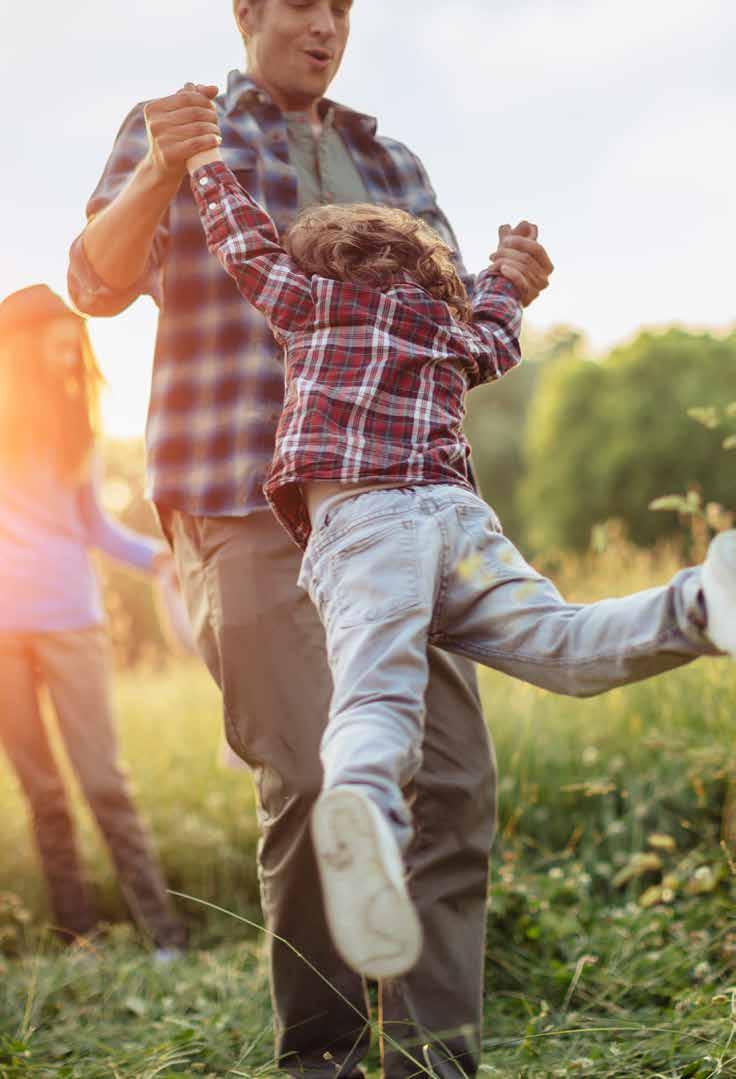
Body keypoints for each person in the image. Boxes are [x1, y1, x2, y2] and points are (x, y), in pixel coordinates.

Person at [67, 1, 553, 1073]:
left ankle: (433, 1059)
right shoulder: (180, 126)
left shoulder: (390, 156)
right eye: (300, 3)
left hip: (397, 504)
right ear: (247, 12)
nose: (324, 24)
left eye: (341, 6)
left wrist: (507, 282)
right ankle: (321, 1055)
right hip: (239, 496)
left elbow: (445, 327)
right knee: (308, 774)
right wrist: (159, 168)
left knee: (452, 780)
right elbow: (95, 284)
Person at [180, 137, 734, 979]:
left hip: (368, 528)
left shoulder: (310, 299)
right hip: (460, 524)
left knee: (378, 689)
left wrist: (204, 164)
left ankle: (361, 803)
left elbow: (243, 241)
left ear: (324, 262)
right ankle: (699, 602)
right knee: (568, 644)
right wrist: (507, 271)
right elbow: (499, 330)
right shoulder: (447, 325)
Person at [0, 285, 187, 957]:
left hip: (72, 622)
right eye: (51, 343)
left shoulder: (76, 424)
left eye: (68, 343)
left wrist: (159, 557)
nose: (64, 355)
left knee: (104, 782)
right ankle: (78, 938)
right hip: (2, 636)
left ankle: (164, 936)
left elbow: (91, 526)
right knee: (42, 792)